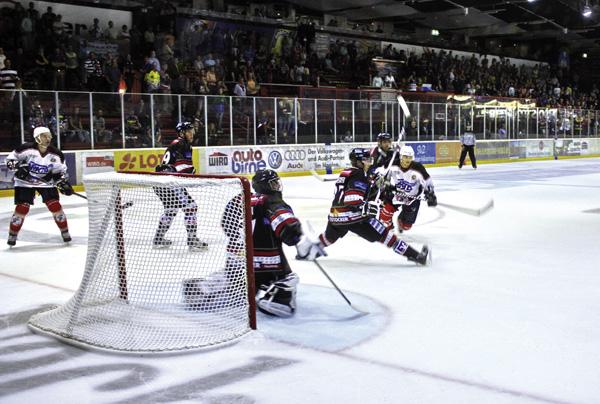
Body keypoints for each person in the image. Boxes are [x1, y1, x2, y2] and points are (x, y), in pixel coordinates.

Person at [306, 148, 429, 265]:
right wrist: (366, 208)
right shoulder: (359, 175)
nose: (369, 162)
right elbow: (352, 199)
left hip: (335, 216)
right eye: (366, 159)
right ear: (359, 162)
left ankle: (307, 252)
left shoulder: (346, 173)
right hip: (353, 217)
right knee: (386, 236)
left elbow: (358, 192)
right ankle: (415, 255)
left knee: (329, 238)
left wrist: (379, 186)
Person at [250, 169, 324, 316]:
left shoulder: (241, 199)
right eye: (274, 183)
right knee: (290, 279)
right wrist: (301, 241)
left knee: (239, 281)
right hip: (269, 264)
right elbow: (287, 226)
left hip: (241, 264)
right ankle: (278, 300)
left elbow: (226, 225)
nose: (277, 186)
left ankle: (220, 289)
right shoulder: (272, 201)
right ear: (265, 186)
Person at [5, 126, 74, 246]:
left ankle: (65, 231)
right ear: (36, 138)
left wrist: (62, 183)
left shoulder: (56, 154)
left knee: (55, 206)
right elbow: (10, 160)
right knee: (22, 207)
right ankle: (12, 234)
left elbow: (60, 172)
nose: (47, 138)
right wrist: (18, 168)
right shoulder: (25, 149)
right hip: (24, 182)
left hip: (45, 183)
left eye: (49, 136)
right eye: (44, 136)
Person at [152, 122, 207, 251]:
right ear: (182, 133)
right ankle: (192, 241)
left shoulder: (177, 143)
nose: (192, 134)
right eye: (189, 131)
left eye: (192, 131)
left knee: (171, 209)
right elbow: (184, 168)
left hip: (161, 182)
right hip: (170, 181)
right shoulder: (183, 144)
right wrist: (192, 171)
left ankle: (158, 239)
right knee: (191, 207)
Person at [377, 145, 437, 232]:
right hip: (397, 194)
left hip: (412, 197)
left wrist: (430, 193)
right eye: (405, 157)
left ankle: (401, 218)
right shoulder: (392, 164)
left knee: (406, 226)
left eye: (410, 157)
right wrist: (384, 182)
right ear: (401, 156)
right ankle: (389, 225)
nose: (407, 160)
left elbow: (427, 182)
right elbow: (381, 173)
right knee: (384, 215)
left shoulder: (418, 168)